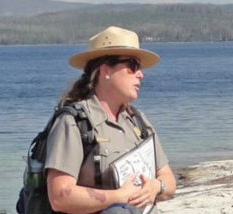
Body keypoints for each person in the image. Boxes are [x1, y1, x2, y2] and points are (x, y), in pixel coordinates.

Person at [44, 26, 176, 214]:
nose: (141, 74)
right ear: (105, 70)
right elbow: (59, 196)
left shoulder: (138, 121)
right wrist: (119, 197)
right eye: (132, 66)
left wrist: (156, 187)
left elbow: (169, 179)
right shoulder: (74, 122)